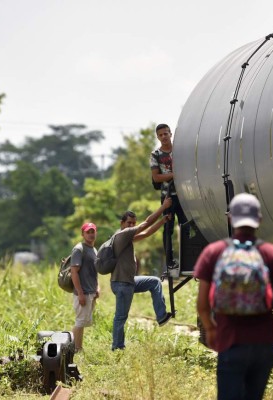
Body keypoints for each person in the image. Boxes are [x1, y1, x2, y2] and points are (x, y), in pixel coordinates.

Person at [194, 193, 273, 400]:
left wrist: (211, 329)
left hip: (230, 340)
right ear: (259, 220)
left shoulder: (213, 252)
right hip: (264, 343)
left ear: (230, 218)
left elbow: (202, 303)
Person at [110, 197, 174, 351]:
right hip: (122, 283)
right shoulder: (121, 235)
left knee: (154, 281)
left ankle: (161, 316)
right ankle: (117, 348)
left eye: (133, 223)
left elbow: (147, 233)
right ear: (122, 224)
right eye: (129, 223)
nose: (132, 226)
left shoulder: (127, 238)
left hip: (129, 281)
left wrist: (163, 221)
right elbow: (146, 223)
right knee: (121, 317)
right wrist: (163, 207)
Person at [150, 123, 189, 271]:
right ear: (158, 137)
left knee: (186, 226)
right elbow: (157, 177)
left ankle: (189, 258)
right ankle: (170, 261)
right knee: (168, 228)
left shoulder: (180, 151)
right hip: (168, 197)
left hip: (185, 195)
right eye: (160, 135)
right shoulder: (155, 155)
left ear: (170, 134)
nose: (164, 137)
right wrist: (174, 174)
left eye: (166, 134)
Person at [70, 222, 100, 353]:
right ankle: (76, 348)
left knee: (83, 322)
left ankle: (76, 347)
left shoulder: (94, 250)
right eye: (88, 232)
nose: (91, 234)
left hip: (91, 292)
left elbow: (95, 272)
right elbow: (74, 272)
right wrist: (80, 294)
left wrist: (97, 288)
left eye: (93, 231)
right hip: (83, 292)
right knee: (80, 321)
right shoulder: (78, 249)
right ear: (83, 234)